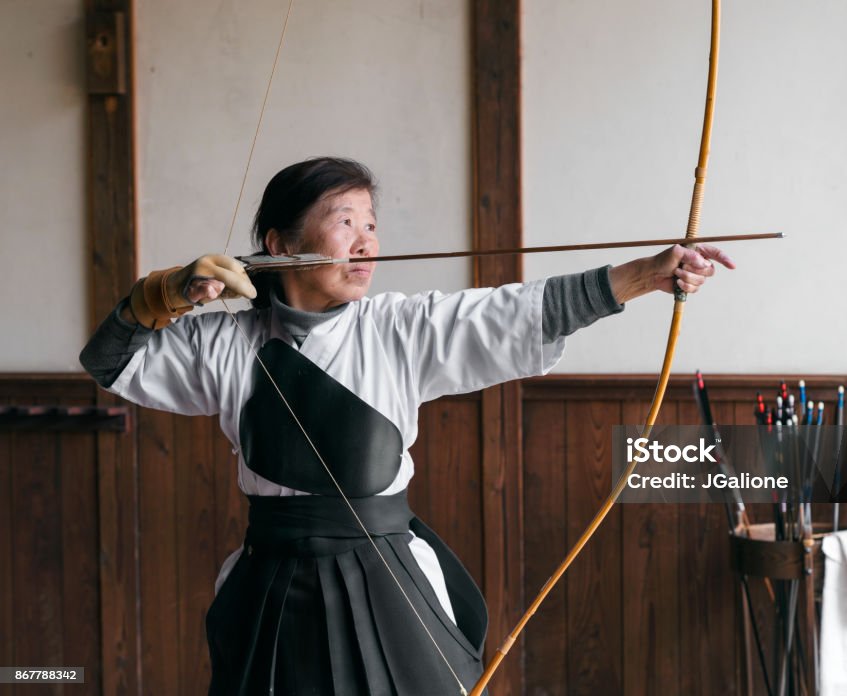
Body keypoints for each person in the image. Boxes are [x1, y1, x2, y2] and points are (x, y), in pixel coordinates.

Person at [80, 156, 734, 695]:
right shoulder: (223, 343)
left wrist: (647, 274)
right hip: (270, 578)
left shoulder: (397, 328)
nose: (367, 242)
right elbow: (110, 362)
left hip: (385, 574)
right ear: (280, 245)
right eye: (344, 222)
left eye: (371, 223)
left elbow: (512, 312)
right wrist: (160, 294)